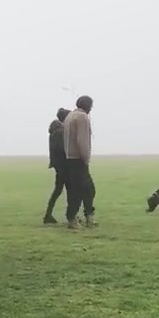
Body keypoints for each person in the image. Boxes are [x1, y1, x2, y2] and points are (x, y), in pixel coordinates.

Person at [63, 95, 97, 230]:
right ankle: (72, 218)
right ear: (87, 105)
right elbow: (82, 140)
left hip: (70, 158)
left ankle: (88, 216)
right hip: (78, 159)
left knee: (86, 189)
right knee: (80, 191)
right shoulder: (82, 117)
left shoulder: (70, 116)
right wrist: (85, 157)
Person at [43, 107, 70, 225]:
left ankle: (48, 215)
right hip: (64, 166)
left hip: (59, 166)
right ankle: (71, 216)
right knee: (70, 191)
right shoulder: (60, 133)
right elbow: (63, 150)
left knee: (58, 191)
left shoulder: (54, 132)